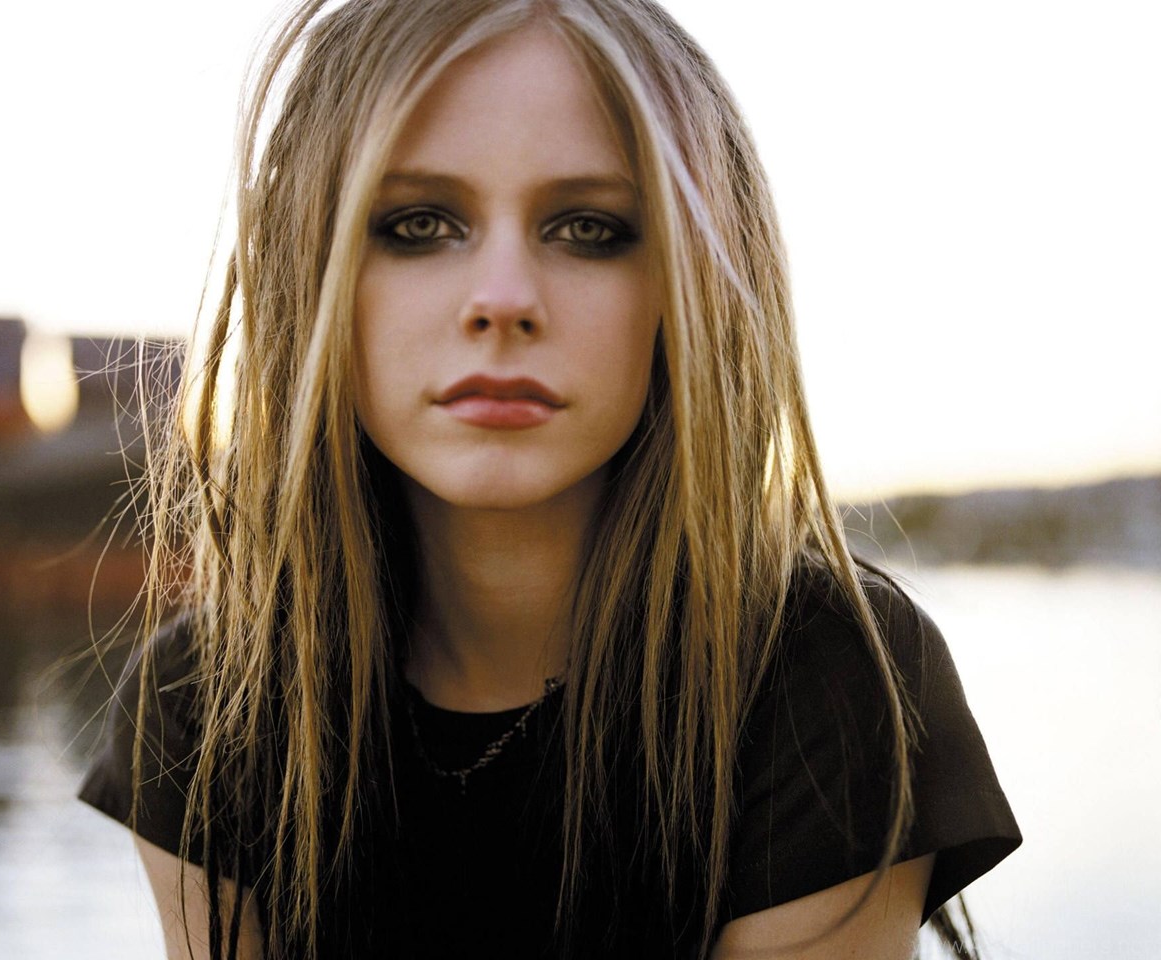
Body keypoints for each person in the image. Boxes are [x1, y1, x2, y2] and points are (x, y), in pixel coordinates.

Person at [79, 1, 1021, 957]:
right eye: (418, 223)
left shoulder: (824, 676)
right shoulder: (208, 704)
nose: (502, 301)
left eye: (587, 228)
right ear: (310, 272)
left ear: (687, 284)